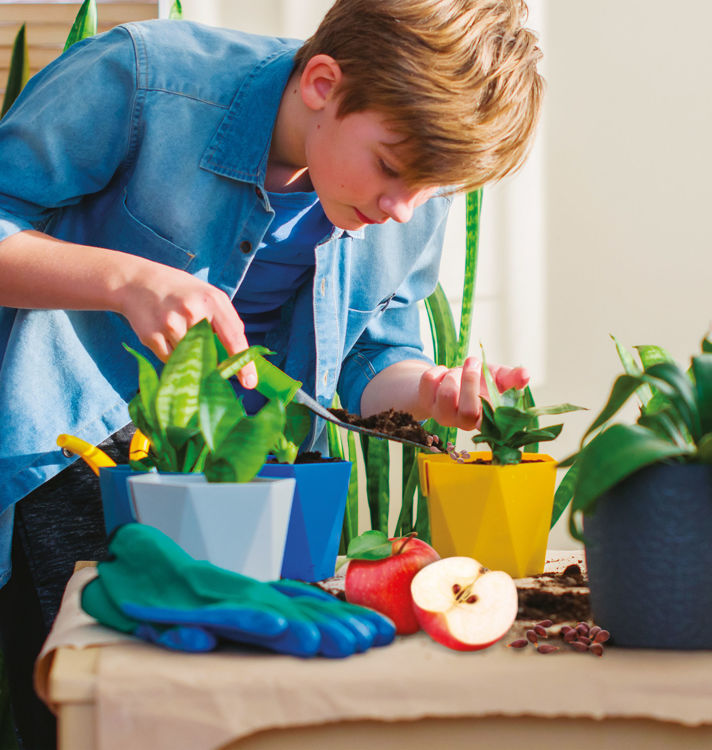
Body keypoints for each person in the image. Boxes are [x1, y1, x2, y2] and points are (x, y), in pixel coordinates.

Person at [0, 0, 543, 746]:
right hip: (75, 451)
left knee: (240, 711)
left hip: (261, 477)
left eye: (426, 191)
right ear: (322, 83)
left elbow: (371, 357)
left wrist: (426, 390)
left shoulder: (412, 191)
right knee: (99, 707)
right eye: (389, 169)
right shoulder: (144, 79)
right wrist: (126, 282)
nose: (400, 209)